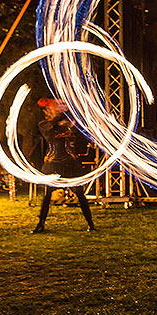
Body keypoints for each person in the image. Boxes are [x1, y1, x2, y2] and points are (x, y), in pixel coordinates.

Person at [31, 98, 95, 233]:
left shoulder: (65, 124)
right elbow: (49, 134)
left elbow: (75, 133)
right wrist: (59, 115)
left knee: (80, 194)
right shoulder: (44, 125)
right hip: (53, 165)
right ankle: (40, 225)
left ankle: (91, 224)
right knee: (47, 196)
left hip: (70, 163)